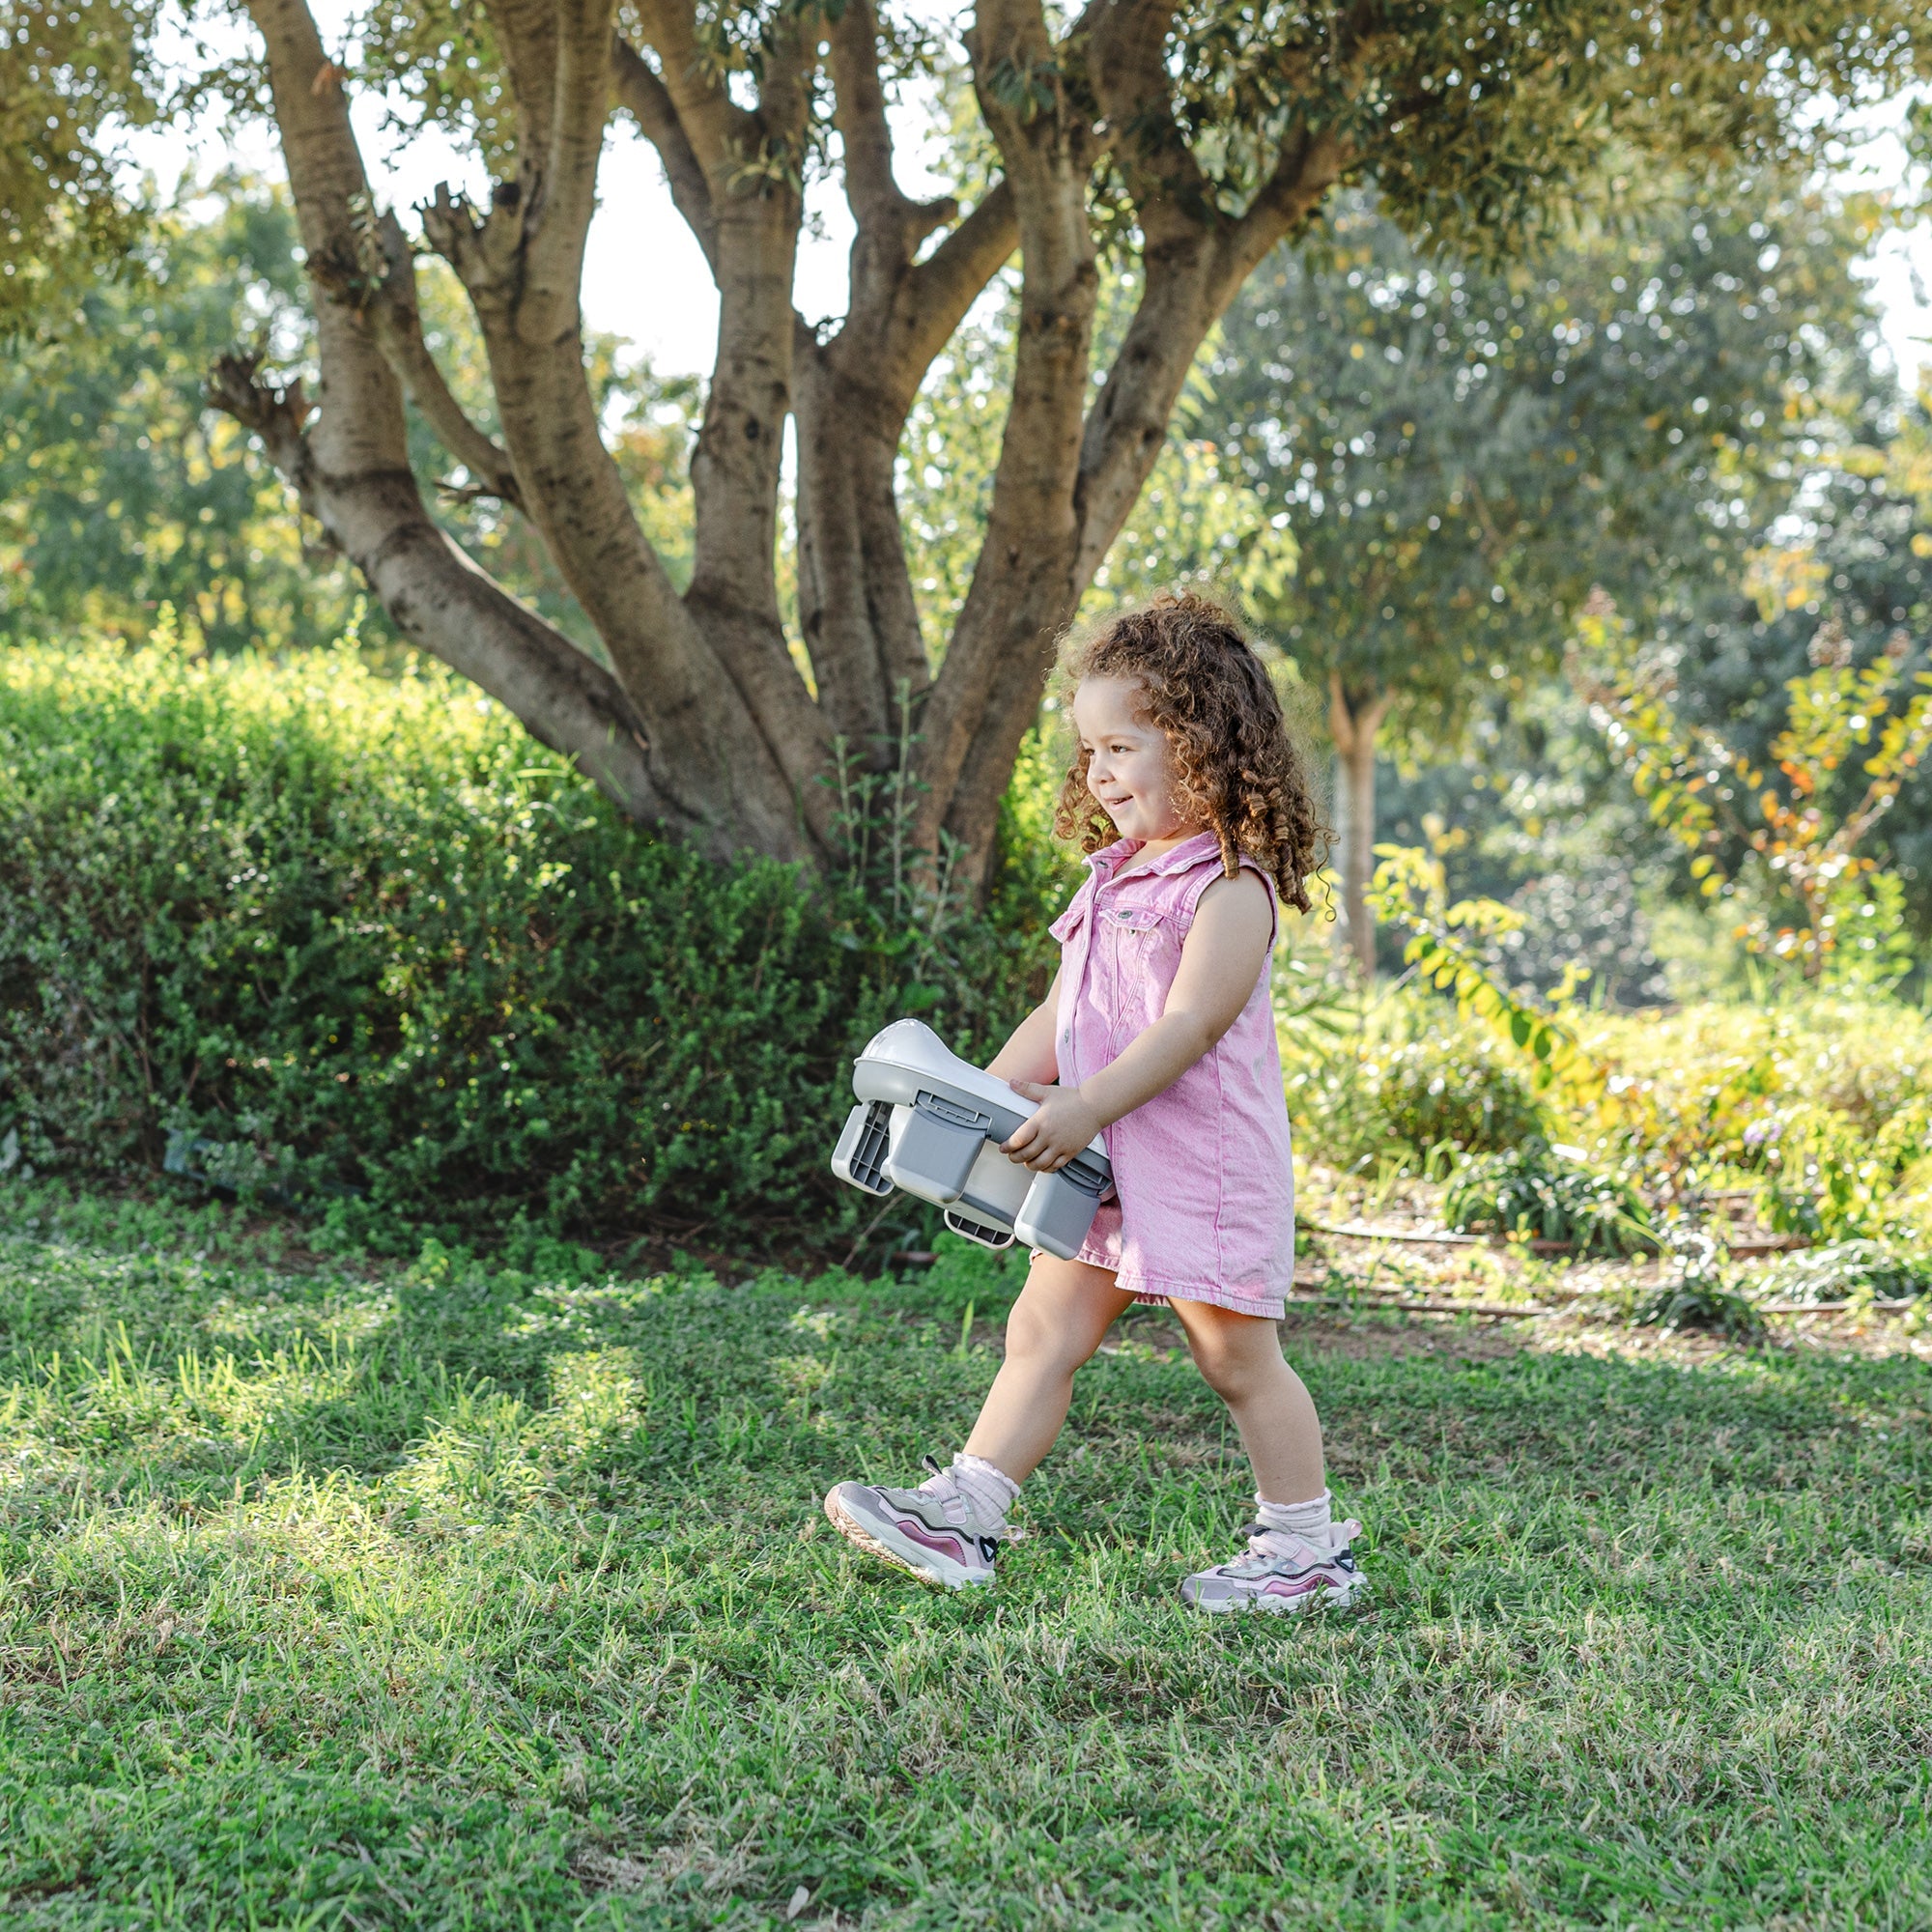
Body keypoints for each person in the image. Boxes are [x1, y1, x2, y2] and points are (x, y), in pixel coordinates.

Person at [824, 591, 1363, 1613]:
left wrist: (1079, 1105)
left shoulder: (1229, 887)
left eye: (1122, 745)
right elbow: (1065, 1008)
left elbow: (1187, 1026)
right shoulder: (1111, 877)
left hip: (1198, 1165)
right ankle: (967, 1513)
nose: (1099, 771)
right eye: (1089, 751)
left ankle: (1303, 1548)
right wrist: (980, 1096)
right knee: (1042, 1328)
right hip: (1103, 1168)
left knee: (1235, 1358)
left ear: (1200, 746)